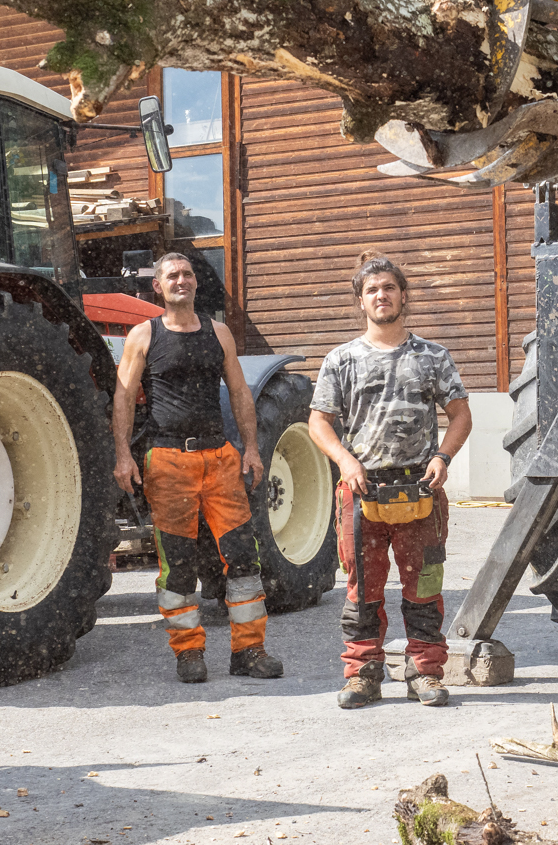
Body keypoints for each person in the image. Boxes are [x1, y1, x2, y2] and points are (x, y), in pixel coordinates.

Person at [308, 252, 472, 709]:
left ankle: (426, 672)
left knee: (425, 587)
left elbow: (460, 415)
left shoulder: (432, 357)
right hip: (362, 493)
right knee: (363, 589)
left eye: (388, 288)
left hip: (421, 491)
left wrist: (443, 456)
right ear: (360, 301)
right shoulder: (341, 360)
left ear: (403, 296)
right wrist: (345, 461)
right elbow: (319, 422)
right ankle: (362, 675)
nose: (381, 296)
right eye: (372, 290)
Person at [112, 252, 284, 684]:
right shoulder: (143, 335)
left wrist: (251, 448)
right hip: (168, 461)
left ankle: (249, 651)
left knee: (243, 557)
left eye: (187, 274)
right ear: (158, 286)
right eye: (172, 275)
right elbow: (123, 397)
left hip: (221, 459)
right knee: (178, 562)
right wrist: (123, 455)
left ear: (195, 282)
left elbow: (240, 392)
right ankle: (188, 652)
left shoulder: (218, 332)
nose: (181, 280)